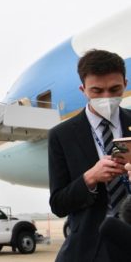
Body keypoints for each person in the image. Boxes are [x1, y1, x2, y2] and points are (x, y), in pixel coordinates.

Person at [48, 49, 130, 262]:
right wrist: (89, 178)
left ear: (126, 84)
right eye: (97, 91)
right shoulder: (61, 135)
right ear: (83, 89)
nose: (107, 97)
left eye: (114, 89)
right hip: (88, 249)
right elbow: (58, 204)